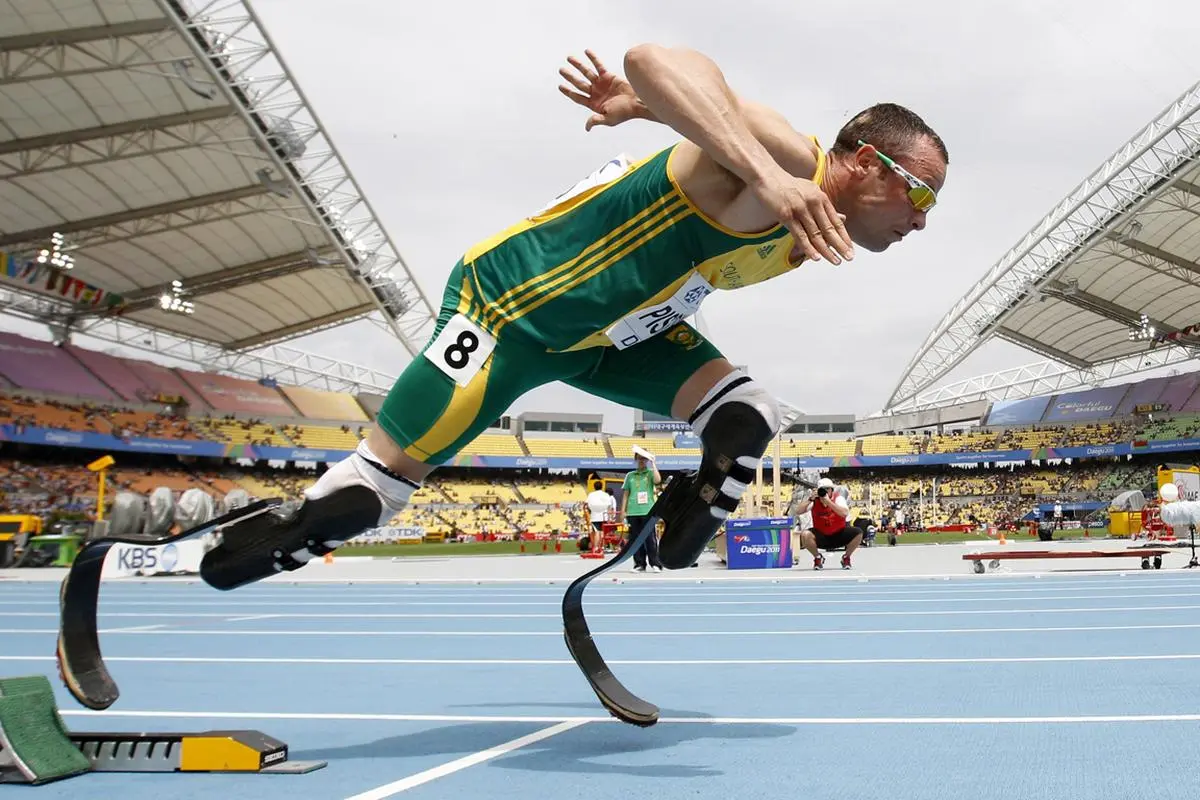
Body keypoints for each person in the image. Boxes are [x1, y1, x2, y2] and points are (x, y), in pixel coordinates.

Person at [198, 45, 949, 588]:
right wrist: (763, 175)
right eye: (921, 195)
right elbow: (657, 56)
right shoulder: (790, 160)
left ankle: (701, 489)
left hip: (611, 339)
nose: (921, 222)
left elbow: (667, 98)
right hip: (509, 308)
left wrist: (639, 109)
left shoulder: (805, 225)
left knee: (745, 408)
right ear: (866, 162)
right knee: (378, 483)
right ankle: (262, 541)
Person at [793, 478, 862, 570]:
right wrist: (810, 499)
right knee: (805, 534)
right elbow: (798, 511)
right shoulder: (814, 501)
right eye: (823, 490)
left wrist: (828, 502)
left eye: (828, 489)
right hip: (821, 535)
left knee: (858, 532)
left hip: (839, 533)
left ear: (832, 490)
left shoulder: (838, 498)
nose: (825, 492)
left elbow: (844, 513)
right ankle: (818, 557)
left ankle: (846, 557)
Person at [621, 448, 664, 571]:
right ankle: (639, 564)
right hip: (633, 511)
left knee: (650, 538)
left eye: (644, 458)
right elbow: (625, 494)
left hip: (648, 510)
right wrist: (623, 511)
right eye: (639, 458)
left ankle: (655, 564)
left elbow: (658, 480)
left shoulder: (650, 473)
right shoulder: (630, 475)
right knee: (635, 539)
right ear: (635, 459)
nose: (641, 461)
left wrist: (653, 463)